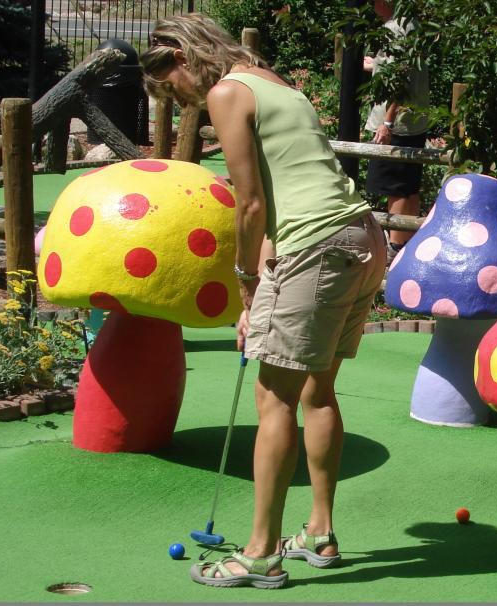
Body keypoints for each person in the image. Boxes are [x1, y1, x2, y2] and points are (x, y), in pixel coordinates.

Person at [141, 13, 387, 589]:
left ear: (180, 57)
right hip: (361, 236)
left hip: (317, 245)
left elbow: (249, 204)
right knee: (316, 390)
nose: (184, 105)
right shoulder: (273, 82)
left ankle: (258, 554)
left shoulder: (227, 92)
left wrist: (243, 283)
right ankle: (319, 533)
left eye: (174, 92)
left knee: (272, 396)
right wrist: (262, 293)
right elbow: (282, 190)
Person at [363, 0, 430, 260]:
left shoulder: (393, 29)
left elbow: (398, 80)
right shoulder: (413, 25)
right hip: (415, 120)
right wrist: (375, 65)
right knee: (409, 186)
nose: (371, 6)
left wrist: (387, 122)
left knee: (396, 187)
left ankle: (395, 249)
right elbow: (403, 69)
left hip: (397, 124)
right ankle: (409, 245)